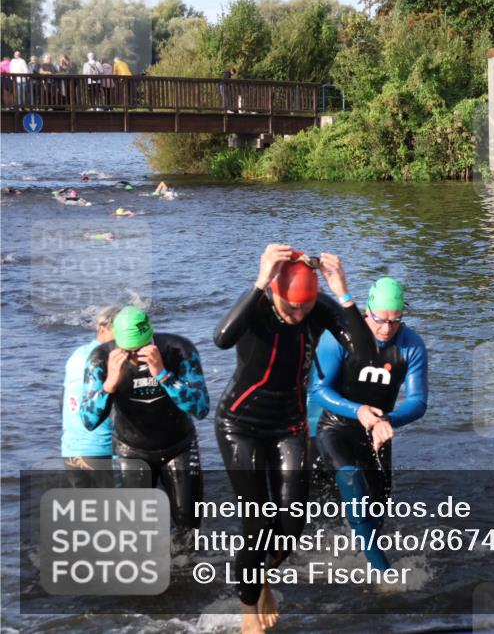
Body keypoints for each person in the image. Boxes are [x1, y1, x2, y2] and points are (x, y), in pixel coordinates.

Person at [214, 244, 375, 634]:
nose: (298, 315)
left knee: (291, 526)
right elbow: (221, 337)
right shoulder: (257, 304)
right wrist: (260, 279)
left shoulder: (317, 307)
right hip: (240, 425)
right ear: (273, 291)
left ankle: (261, 576)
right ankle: (248, 614)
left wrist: (344, 294)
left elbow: (365, 353)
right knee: (257, 524)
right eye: (291, 307)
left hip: (289, 425)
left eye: (305, 308)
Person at [309, 277, 428, 571]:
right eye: (380, 320)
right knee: (352, 498)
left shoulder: (411, 346)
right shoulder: (340, 337)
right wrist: (358, 409)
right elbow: (318, 390)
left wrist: (387, 420)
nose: (387, 329)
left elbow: (418, 401)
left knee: (377, 511)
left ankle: (356, 554)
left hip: (376, 434)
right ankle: (383, 574)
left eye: (396, 320)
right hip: (334, 428)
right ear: (367, 312)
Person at [79, 306, 210, 546]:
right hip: (132, 450)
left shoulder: (179, 350)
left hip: (179, 446)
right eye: (129, 351)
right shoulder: (100, 358)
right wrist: (109, 385)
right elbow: (88, 420)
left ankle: (188, 577)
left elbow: (200, 408)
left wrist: (163, 375)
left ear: (152, 336)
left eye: (141, 348)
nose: (136, 356)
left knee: (189, 530)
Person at [62, 306, 118, 488]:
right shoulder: (112, 358)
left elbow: (63, 400)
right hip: (103, 450)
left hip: (72, 450)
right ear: (102, 329)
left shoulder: (77, 355)